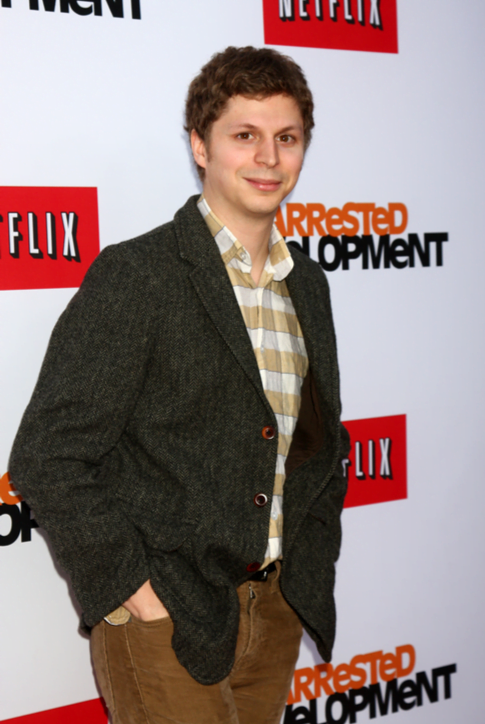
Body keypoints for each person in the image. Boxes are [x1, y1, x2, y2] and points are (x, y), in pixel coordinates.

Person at [9, 46, 350, 724]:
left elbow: (318, 440)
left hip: (273, 611)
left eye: (286, 138)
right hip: (166, 616)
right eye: (244, 136)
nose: (268, 159)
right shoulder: (141, 275)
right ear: (200, 145)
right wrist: (136, 593)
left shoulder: (306, 283)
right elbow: (48, 454)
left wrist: (308, 563)